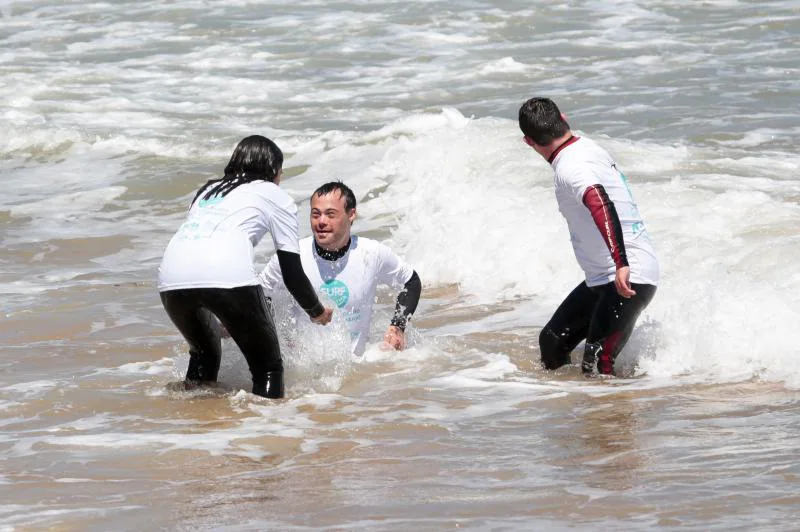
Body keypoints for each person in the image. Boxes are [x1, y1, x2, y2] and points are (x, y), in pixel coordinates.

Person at [157, 135, 333, 399]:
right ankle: (267, 434)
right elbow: (291, 271)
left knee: (204, 354)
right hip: (228, 279)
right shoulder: (275, 194)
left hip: (171, 282)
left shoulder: (207, 191)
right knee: (269, 369)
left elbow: (199, 251)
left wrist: (223, 313)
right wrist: (316, 311)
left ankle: (193, 426)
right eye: (280, 172)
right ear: (273, 170)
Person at [518, 98, 660, 375]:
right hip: (603, 278)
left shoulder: (570, 166)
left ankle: (616, 416)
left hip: (628, 276)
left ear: (528, 141)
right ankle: (577, 409)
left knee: (596, 365)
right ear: (563, 117)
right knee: (552, 342)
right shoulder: (584, 148)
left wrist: (621, 263)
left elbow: (600, 203)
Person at [258, 181, 422, 356]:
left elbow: (410, 282)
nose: (321, 221)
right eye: (316, 214)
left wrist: (398, 326)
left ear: (351, 215)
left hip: (358, 370)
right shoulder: (291, 257)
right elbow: (258, 294)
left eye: (330, 214)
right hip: (306, 374)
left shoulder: (372, 254)